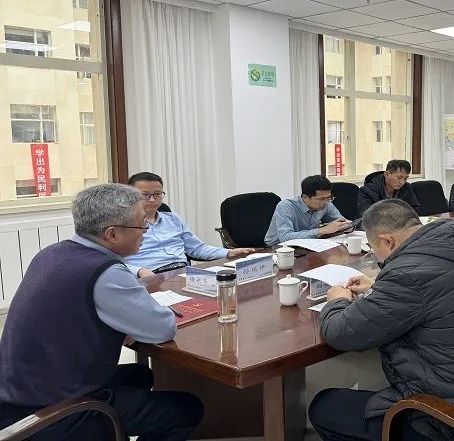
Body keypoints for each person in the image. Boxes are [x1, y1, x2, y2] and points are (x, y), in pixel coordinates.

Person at [309, 200, 454, 441]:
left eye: (374, 247)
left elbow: (342, 333)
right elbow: (438, 292)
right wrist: (380, 287)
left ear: (387, 240)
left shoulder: (407, 275)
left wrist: (337, 300)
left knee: (326, 407)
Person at [0, 183, 203, 440]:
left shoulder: (52, 253)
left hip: (18, 391)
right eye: (141, 225)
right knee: (186, 409)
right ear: (112, 234)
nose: (146, 231)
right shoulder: (105, 272)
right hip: (49, 412)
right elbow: (162, 328)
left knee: (140, 375)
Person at [126, 172, 254, 278]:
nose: (152, 199)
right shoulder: (123, 225)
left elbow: (197, 249)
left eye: (157, 194)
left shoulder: (174, 219)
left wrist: (229, 252)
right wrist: (139, 271)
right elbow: (115, 261)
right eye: (145, 195)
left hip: (183, 273)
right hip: (150, 276)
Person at [264, 175, 351, 246]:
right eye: (321, 199)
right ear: (305, 197)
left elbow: (340, 221)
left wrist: (345, 225)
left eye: (329, 197)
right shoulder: (286, 207)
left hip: (309, 244)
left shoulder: (326, 203)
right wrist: (322, 230)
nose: (326, 202)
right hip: (277, 248)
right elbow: (285, 237)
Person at [357, 160, 422, 216]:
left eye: (405, 178)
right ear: (387, 174)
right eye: (399, 177)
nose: (402, 182)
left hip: (400, 224)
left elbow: (416, 210)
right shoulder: (367, 190)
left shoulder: (406, 187)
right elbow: (366, 215)